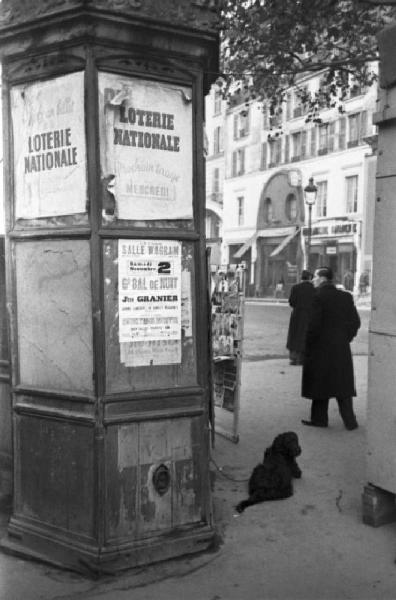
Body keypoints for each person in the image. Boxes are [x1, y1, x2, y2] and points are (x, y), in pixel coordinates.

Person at [301, 266, 361, 430]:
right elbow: (355, 322)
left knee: (320, 383)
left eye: (315, 277)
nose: (313, 280)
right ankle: (350, 421)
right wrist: (345, 338)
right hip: (341, 348)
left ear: (322, 279)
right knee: (342, 385)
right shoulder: (345, 297)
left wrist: (308, 345)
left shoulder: (317, 297)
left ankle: (319, 419)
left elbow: (313, 326)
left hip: (320, 348)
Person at [286, 270, 315, 365]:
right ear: (310, 278)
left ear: (301, 278)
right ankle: (303, 358)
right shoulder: (314, 289)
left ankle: (294, 358)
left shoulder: (295, 288)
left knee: (295, 335)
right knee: (305, 335)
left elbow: (291, 302)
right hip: (309, 315)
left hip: (297, 315)